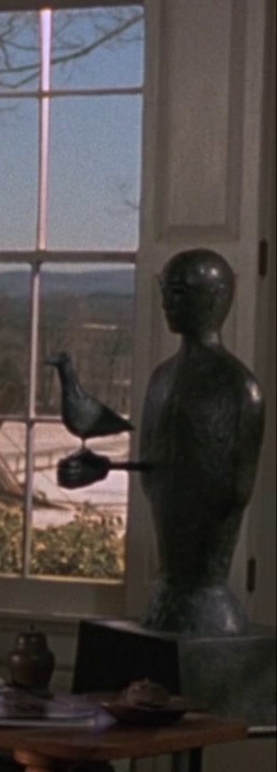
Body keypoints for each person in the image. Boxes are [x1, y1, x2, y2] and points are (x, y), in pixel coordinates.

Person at [136, 248, 265, 635]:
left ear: (214, 298)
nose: (166, 303)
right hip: (164, 599)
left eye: (178, 292)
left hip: (209, 605)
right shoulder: (162, 378)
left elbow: (235, 491)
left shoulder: (237, 387)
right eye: (165, 290)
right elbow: (151, 469)